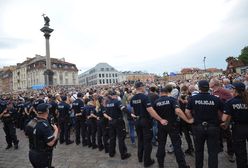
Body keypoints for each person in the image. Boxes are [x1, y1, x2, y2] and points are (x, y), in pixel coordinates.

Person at [185, 80, 224, 168]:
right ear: (208, 88)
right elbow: (224, 111)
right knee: (213, 152)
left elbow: (187, 111)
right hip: (213, 127)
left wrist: (191, 119)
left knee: (198, 151)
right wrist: (223, 121)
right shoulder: (216, 98)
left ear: (199, 88)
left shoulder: (193, 98)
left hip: (198, 127)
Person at [130, 81, 168, 167]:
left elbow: (132, 111)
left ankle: (140, 157)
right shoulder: (144, 97)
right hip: (145, 121)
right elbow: (150, 111)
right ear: (141, 87)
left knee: (140, 140)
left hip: (137, 120)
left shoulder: (133, 98)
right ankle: (147, 161)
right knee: (147, 142)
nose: (144, 88)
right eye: (143, 86)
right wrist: (160, 119)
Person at [154, 85, 192, 168]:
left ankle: (160, 165)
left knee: (161, 145)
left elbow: (153, 114)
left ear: (160, 93)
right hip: (172, 125)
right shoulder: (171, 100)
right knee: (176, 145)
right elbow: (178, 111)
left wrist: (160, 120)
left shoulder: (156, 102)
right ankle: (182, 166)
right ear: (168, 93)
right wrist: (187, 120)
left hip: (161, 126)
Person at [222, 82, 248, 168]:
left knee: (240, 152)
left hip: (238, 128)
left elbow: (224, 118)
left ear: (235, 90)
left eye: (232, 89)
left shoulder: (230, 102)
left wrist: (224, 124)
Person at [25, 103, 58, 168]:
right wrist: (56, 130)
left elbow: (27, 135)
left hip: (32, 153)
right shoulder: (44, 125)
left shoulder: (32, 121)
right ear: (47, 111)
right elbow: (50, 143)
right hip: (42, 156)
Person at [104, 90, 131, 160]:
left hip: (111, 122)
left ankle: (111, 153)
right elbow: (123, 109)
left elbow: (106, 113)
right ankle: (123, 154)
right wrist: (130, 114)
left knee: (112, 138)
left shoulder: (108, 103)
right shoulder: (117, 102)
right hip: (118, 122)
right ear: (115, 95)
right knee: (121, 138)